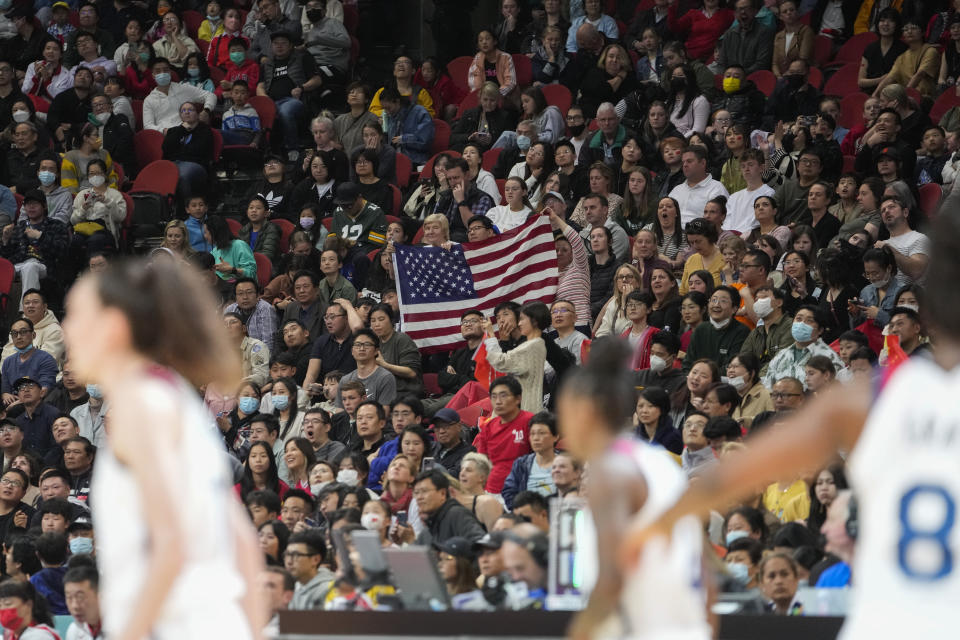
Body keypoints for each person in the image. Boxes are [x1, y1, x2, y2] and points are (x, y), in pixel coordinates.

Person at [61, 260, 264, 639]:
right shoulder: (168, 395)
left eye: (76, 316)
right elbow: (241, 541)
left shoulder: (141, 407)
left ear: (115, 327)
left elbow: (172, 543)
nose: (67, 329)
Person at [558, 339, 709, 640]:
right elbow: (708, 577)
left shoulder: (609, 472)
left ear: (584, 411)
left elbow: (612, 574)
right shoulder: (659, 461)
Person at [481, 303, 549, 414]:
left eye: (505, 314)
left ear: (519, 317)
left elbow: (503, 365)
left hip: (529, 401)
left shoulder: (531, 341)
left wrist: (491, 335)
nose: (501, 320)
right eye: (498, 317)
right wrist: (504, 342)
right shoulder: (508, 341)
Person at [63, 563, 102, 640]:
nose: (75, 606)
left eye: (80, 597)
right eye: (69, 598)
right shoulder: (74, 630)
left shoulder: (122, 628)